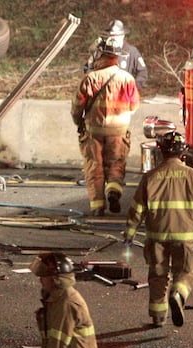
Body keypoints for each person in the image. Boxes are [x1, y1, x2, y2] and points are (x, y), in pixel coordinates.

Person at [123, 132, 193, 327]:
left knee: (157, 276)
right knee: (187, 271)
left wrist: (129, 234)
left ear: (161, 151)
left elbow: (137, 210)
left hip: (156, 236)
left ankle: (158, 317)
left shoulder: (150, 177)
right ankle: (178, 292)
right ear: (183, 152)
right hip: (184, 237)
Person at [72, 38, 140, 216]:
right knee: (116, 163)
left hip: (94, 131)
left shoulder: (90, 79)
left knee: (94, 166)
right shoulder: (128, 79)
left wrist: (79, 122)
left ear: (100, 55)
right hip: (119, 131)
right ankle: (113, 191)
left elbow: (77, 107)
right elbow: (134, 106)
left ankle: (97, 206)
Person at [84, 19, 148, 90]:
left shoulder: (132, 52)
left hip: (123, 94)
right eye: (111, 36)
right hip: (103, 94)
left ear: (122, 35)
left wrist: (131, 88)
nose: (113, 38)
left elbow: (142, 73)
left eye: (116, 35)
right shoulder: (100, 50)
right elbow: (88, 69)